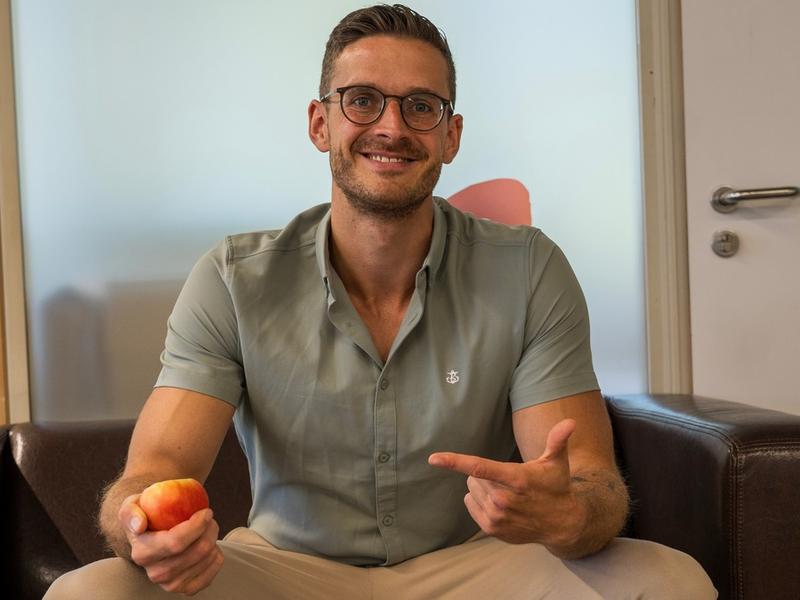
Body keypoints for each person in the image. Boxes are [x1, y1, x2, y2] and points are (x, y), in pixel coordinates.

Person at [45, 4, 717, 599]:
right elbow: (154, 473)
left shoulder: (529, 269)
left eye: (421, 106)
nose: (391, 128)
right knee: (92, 593)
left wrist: (567, 514)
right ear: (320, 122)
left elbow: (592, 482)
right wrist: (141, 527)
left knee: (671, 582)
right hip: (287, 571)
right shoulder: (232, 278)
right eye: (362, 100)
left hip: (478, 566)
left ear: (450, 136)